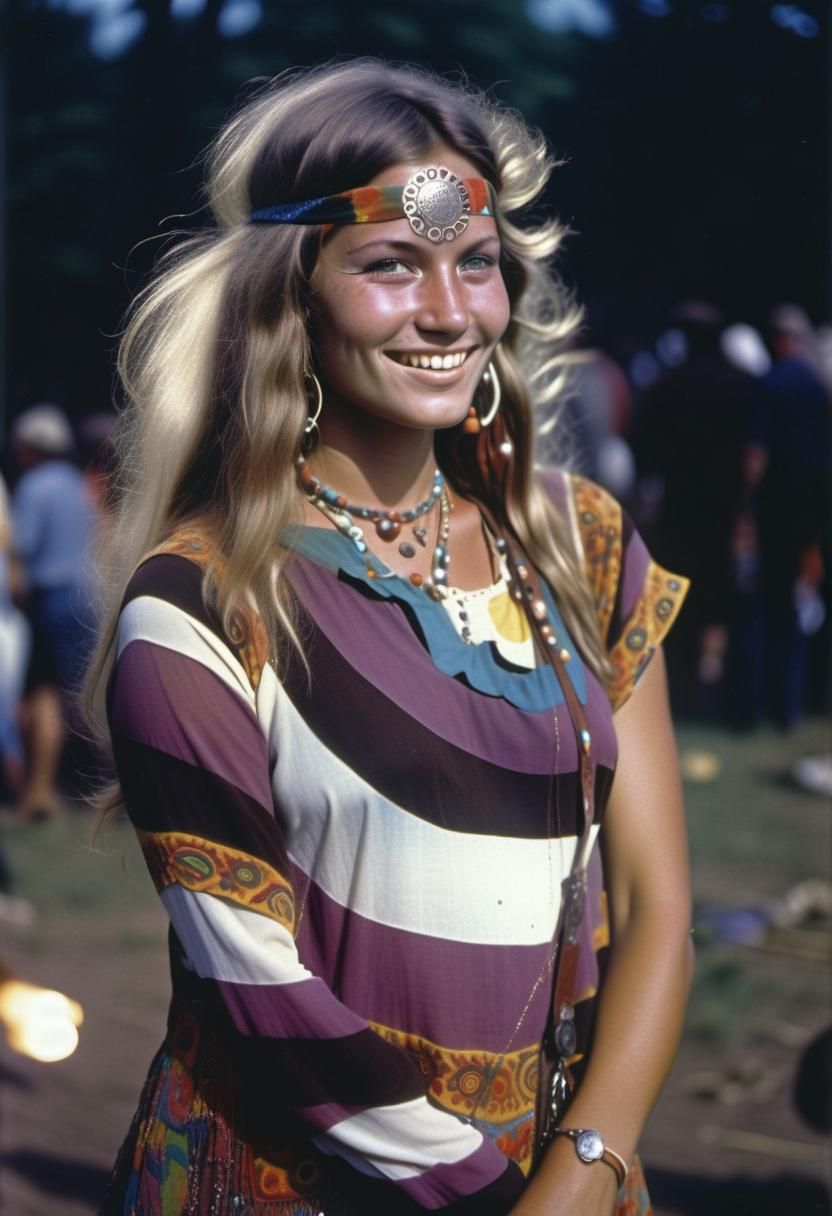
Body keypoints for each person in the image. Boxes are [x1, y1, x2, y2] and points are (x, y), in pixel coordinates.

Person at [85, 61, 693, 1216]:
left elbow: (658, 904)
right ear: (291, 293)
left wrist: (586, 1162)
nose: (450, 311)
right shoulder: (201, 604)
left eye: (476, 262)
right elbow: (270, 1008)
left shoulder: (584, 549)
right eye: (389, 264)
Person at [10, 404, 96, 818]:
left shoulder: (35, 486)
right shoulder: (77, 485)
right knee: (77, 693)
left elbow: (20, 547)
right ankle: (65, 788)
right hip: (85, 595)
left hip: (50, 598)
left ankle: (49, 789)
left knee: (52, 694)